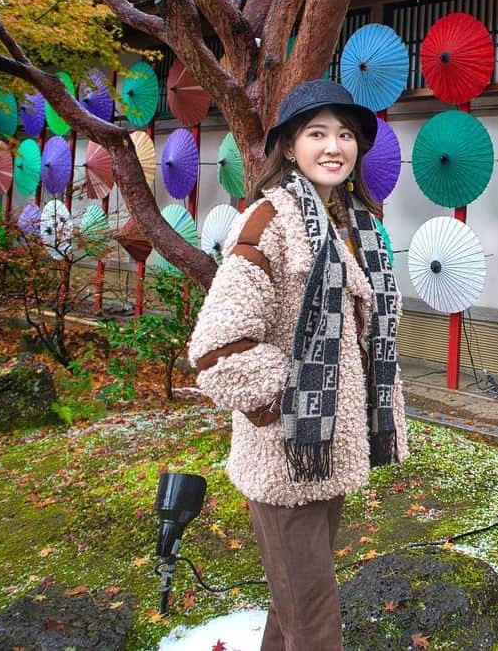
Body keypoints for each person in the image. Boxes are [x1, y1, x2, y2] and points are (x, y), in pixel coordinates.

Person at [188, 80, 408, 650]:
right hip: (287, 453)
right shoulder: (270, 221)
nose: (333, 146)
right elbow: (217, 349)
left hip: (331, 451)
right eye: (316, 133)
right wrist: (297, 398)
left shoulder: (356, 225)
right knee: (315, 622)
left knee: (293, 612)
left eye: (344, 134)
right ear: (288, 146)